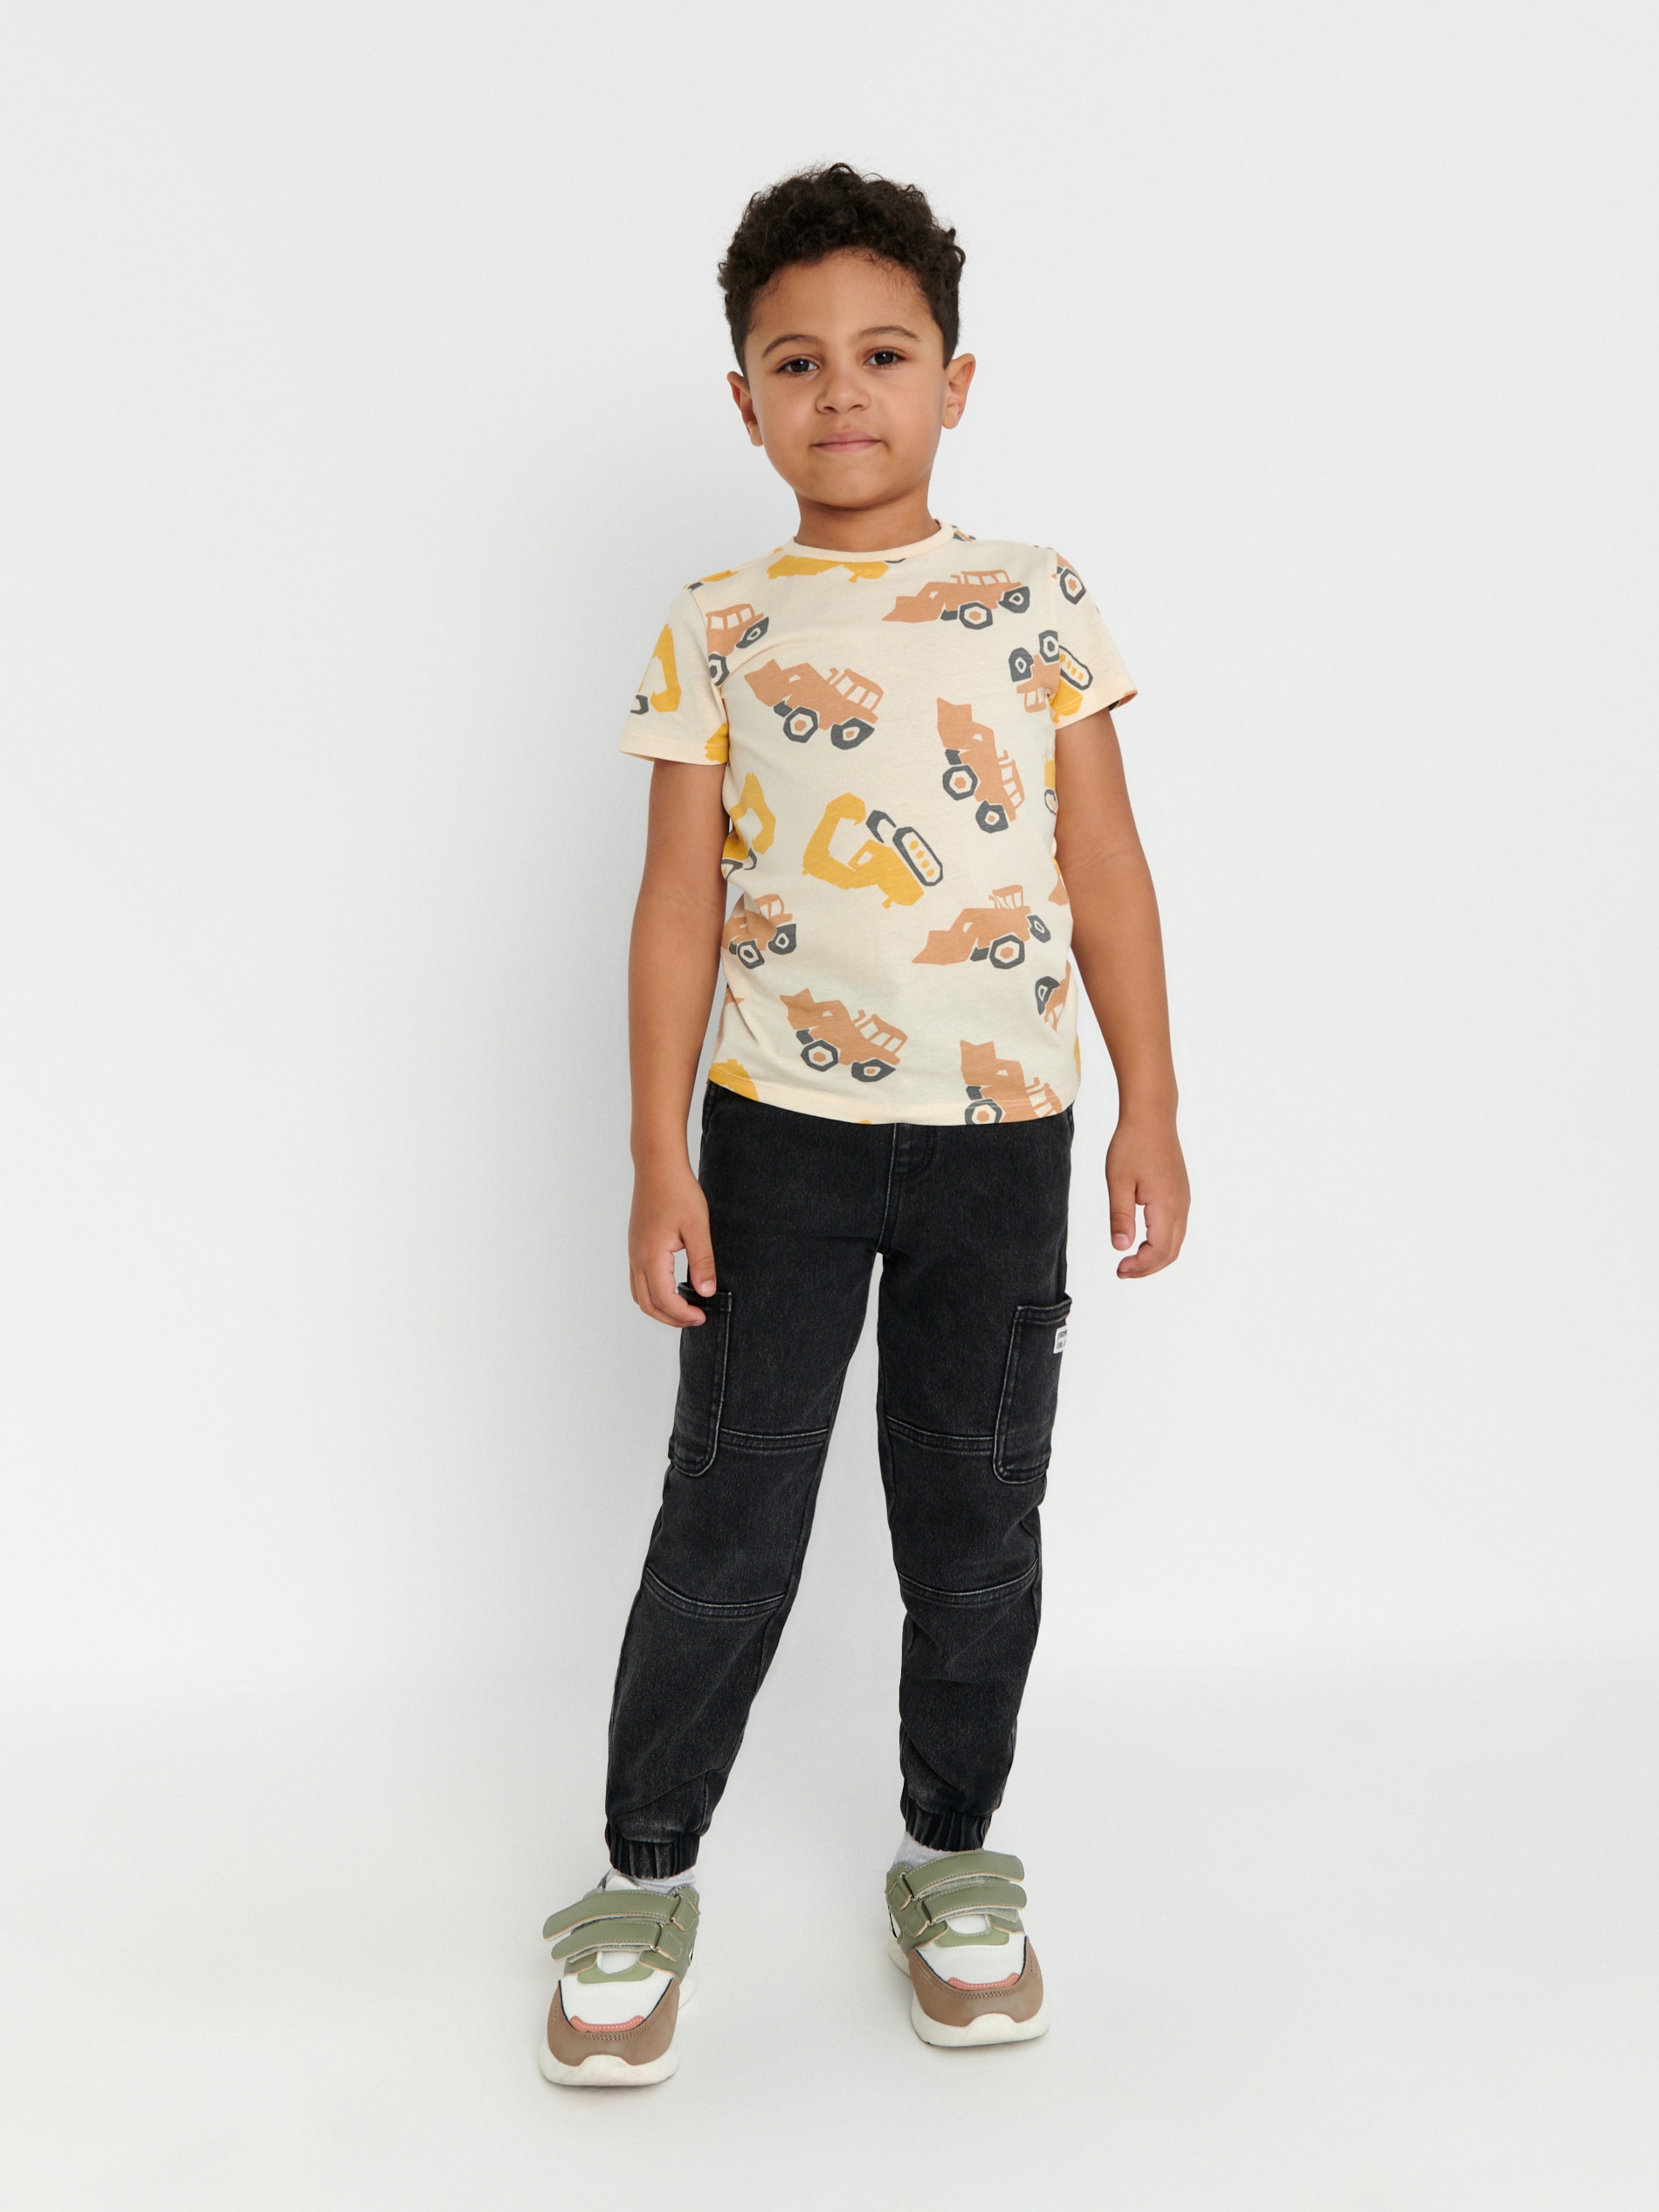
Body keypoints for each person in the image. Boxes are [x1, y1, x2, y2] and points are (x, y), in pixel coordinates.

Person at [540, 163, 1189, 2087]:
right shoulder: (719, 622)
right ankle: (642, 1873)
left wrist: (1150, 1101)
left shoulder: (1034, 598)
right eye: (796, 361)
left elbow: (1105, 866)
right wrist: (657, 1152)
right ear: (744, 400)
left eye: (884, 355)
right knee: (728, 1515)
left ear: (954, 383)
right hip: (779, 1144)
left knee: (975, 1513)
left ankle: (952, 1853)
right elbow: (676, 899)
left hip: (1002, 1139)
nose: (842, 391)